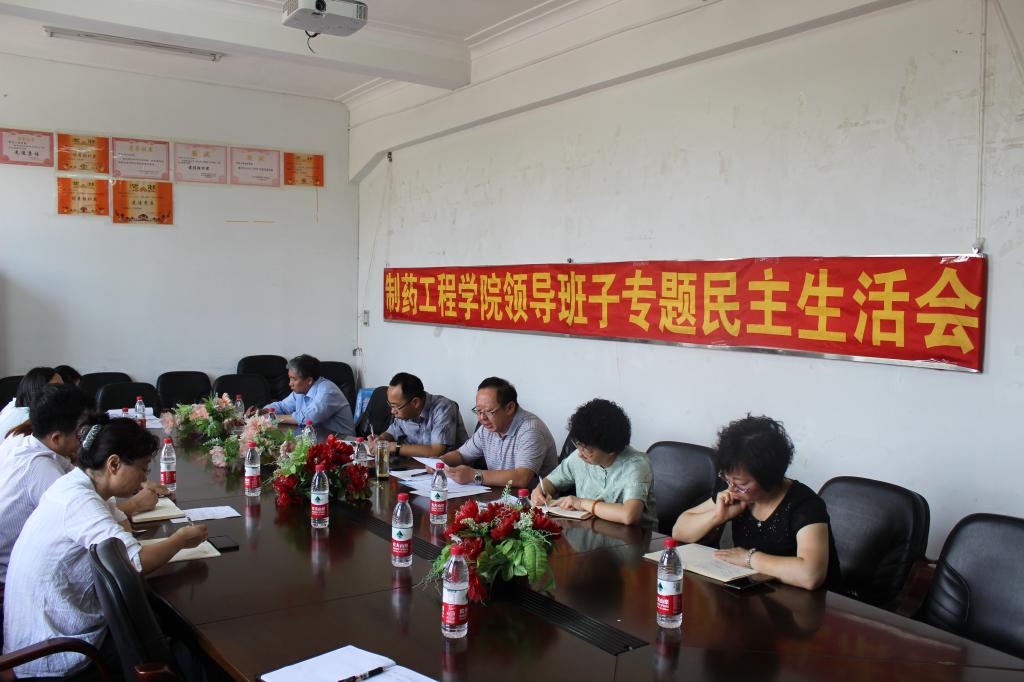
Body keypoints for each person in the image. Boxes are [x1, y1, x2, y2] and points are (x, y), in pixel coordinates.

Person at [2, 416, 208, 679]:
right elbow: (135, 562)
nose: (144, 479)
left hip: (49, 633)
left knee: (160, 626)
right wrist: (180, 539)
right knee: (183, 647)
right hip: (52, 654)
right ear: (113, 464)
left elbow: (123, 530)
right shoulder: (79, 501)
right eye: (143, 469)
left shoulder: (82, 485)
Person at [0, 385, 165, 589]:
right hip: (8, 579)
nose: (89, 438)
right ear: (57, 438)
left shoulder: (48, 454)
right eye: (81, 433)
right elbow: (132, 560)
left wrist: (134, 481)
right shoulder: (42, 470)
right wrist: (136, 506)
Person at [671, 415, 840, 591]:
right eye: (727, 478)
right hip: (757, 592)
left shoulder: (805, 505)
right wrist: (716, 517)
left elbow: (810, 575)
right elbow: (679, 531)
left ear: (769, 477)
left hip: (813, 602)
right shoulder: (733, 487)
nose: (731, 487)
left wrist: (749, 559)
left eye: (742, 484)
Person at [531, 399, 657, 527]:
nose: (580, 453)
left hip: (635, 536)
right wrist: (540, 491)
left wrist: (581, 503)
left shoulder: (636, 465)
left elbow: (629, 515)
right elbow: (550, 482)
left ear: (611, 450)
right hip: (591, 531)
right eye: (578, 445)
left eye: (587, 449)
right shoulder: (579, 456)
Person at [438, 377, 557, 489]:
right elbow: (461, 455)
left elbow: (522, 477)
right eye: (478, 411)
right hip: (499, 496)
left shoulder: (530, 430)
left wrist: (473, 475)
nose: (482, 418)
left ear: (509, 408)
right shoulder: (487, 428)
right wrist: (438, 462)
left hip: (531, 500)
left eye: (489, 411)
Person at [369, 372, 468, 458]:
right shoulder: (404, 410)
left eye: (395, 406)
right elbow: (391, 432)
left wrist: (395, 447)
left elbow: (436, 451)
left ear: (415, 402)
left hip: (448, 470)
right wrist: (380, 440)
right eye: (390, 405)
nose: (392, 411)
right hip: (415, 467)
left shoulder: (444, 408)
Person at [262, 354, 354, 435]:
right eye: (290, 378)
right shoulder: (300, 391)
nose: (290, 383)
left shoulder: (328, 390)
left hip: (343, 442)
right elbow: (283, 406)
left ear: (309, 380)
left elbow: (309, 418)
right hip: (316, 438)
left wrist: (273, 418)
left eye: (294, 379)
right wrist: (262, 412)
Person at [0, 366, 62, 438]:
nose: (63, 391)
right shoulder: (30, 419)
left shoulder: (14, 406)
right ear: (39, 390)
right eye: (57, 387)